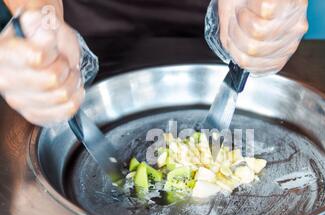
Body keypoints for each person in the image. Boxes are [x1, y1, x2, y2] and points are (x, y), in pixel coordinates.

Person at [1, 0, 308, 126]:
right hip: (83, 23)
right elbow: (39, 14)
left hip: (233, 17)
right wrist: (40, 18)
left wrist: (268, 17)